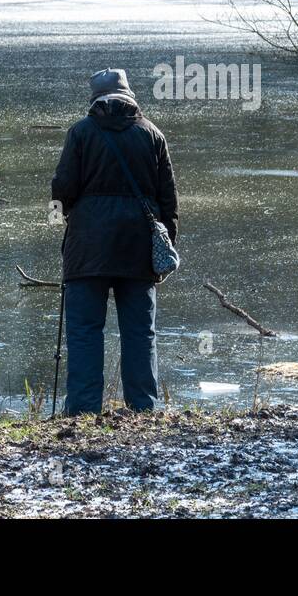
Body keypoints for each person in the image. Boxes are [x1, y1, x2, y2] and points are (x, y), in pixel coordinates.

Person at [51, 68, 179, 415]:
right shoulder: (153, 135)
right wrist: (163, 248)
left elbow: (61, 191)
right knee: (140, 333)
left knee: (84, 331)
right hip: (137, 248)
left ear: (95, 100)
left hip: (87, 247)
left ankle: (82, 410)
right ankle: (144, 408)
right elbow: (169, 202)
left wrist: (67, 221)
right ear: (129, 97)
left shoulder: (80, 133)